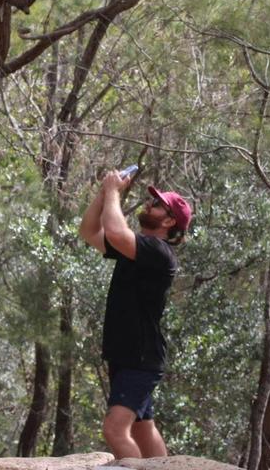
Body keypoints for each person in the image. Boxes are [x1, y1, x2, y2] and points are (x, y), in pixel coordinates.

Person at [78, 169, 193, 459]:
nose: (148, 205)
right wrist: (105, 193)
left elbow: (116, 231)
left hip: (140, 359)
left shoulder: (158, 251)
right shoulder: (136, 249)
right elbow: (90, 232)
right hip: (128, 354)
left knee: (115, 430)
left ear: (169, 222)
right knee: (143, 430)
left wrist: (114, 191)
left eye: (157, 205)